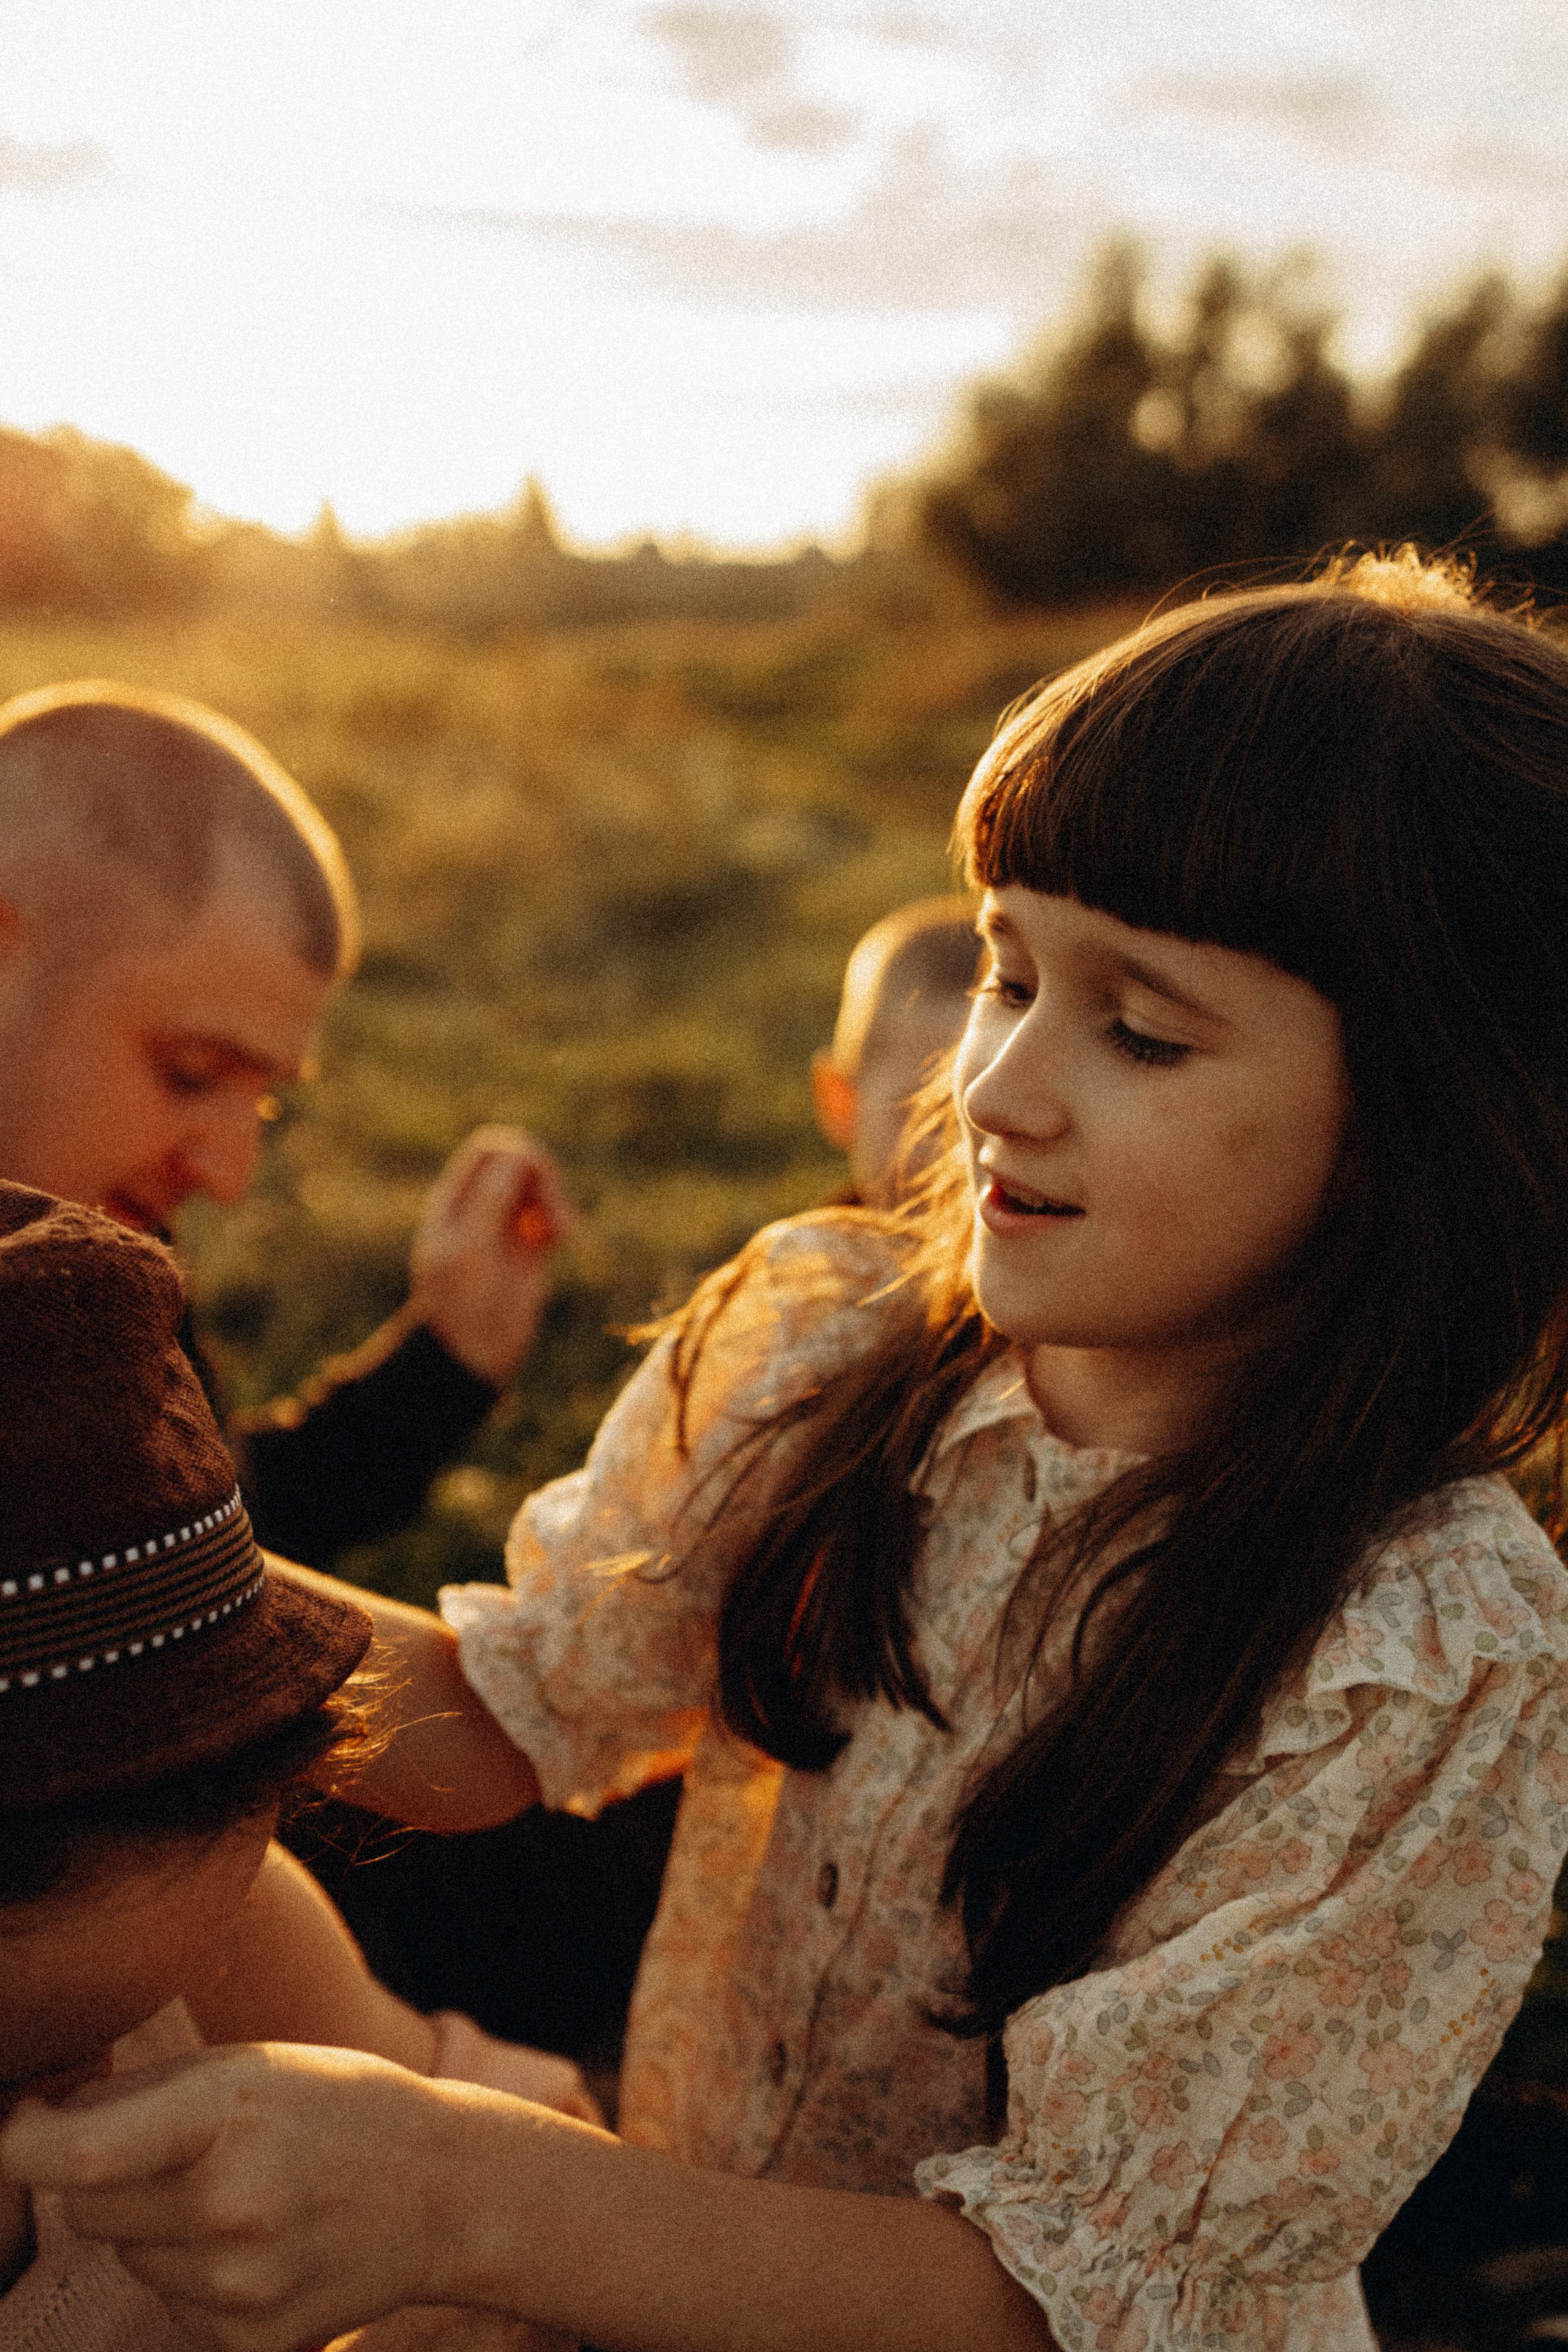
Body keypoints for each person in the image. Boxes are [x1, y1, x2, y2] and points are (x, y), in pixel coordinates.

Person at [16, 549, 1568, 2352]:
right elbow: (503, 1724)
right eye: (1005, 973)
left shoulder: (1425, 1652)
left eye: (1139, 1029)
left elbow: (1063, 2301)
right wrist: (98, 1600)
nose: (994, 1085)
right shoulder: (828, 1354)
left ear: (1420, 1134)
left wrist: (468, 2193)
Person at [0, 678, 604, 2106]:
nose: (229, 1168)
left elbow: (189, 1530)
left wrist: (441, 1366)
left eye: (261, 1099)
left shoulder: (75, 1265)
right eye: (190, 1073)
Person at [810, 895, 979, 1204]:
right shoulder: (807, 1239)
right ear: (840, 1101)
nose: (960, 1154)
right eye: (929, 1119)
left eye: (986, 1122)